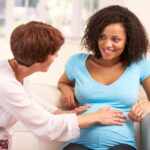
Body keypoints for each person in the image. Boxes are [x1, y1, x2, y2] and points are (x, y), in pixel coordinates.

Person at [0, 21, 127, 150]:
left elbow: (29, 99)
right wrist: (96, 116)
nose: (57, 55)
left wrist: (59, 112)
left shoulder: (15, 71)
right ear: (38, 58)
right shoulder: (5, 84)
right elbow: (48, 126)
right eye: (53, 52)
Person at [58, 5, 150, 150]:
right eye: (102, 37)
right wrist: (66, 90)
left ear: (128, 40)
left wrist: (146, 105)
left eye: (115, 39)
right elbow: (63, 82)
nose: (107, 44)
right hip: (78, 143)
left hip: (121, 145)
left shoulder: (139, 63)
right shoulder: (76, 62)